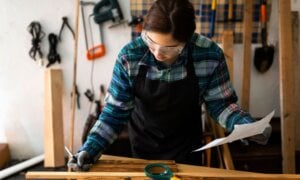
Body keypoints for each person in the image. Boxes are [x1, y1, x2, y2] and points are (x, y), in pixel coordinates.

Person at [68, 0, 271, 171]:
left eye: (168, 48)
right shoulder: (130, 56)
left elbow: (221, 104)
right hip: (142, 147)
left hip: (187, 150)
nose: (157, 53)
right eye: (151, 42)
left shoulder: (208, 55)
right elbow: (114, 112)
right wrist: (91, 148)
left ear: (187, 41)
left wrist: (247, 125)